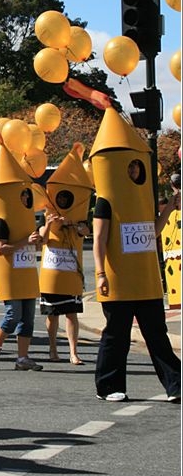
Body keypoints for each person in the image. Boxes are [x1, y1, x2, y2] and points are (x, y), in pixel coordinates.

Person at [93, 156, 181, 402]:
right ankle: (108, 386)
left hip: (146, 281)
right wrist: (100, 274)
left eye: (136, 166)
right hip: (117, 281)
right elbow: (98, 240)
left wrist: (169, 209)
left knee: (157, 334)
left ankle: (176, 384)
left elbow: (151, 231)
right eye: (128, 166)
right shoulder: (105, 201)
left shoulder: (145, 197)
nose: (133, 170)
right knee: (116, 336)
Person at [0, 188, 44, 371]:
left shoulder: (27, 219)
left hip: (27, 274)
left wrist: (38, 240)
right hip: (11, 276)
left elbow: (36, 244)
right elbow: (1, 249)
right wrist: (26, 241)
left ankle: (22, 357)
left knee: (28, 319)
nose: (26, 198)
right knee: (13, 315)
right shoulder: (1, 222)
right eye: (22, 194)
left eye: (27, 194)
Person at [39, 192, 90, 365]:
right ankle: (52, 349)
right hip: (52, 273)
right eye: (59, 198)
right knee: (52, 314)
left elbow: (86, 231)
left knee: (71, 313)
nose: (61, 201)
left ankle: (73, 352)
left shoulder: (78, 217)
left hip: (71, 272)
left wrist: (76, 226)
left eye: (64, 199)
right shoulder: (48, 217)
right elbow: (42, 239)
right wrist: (48, 224)